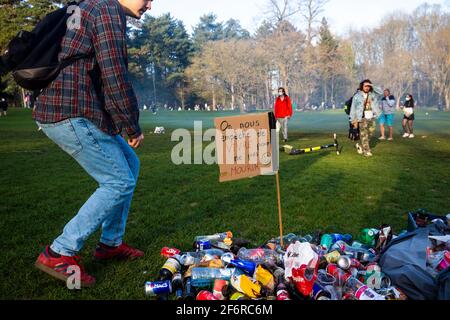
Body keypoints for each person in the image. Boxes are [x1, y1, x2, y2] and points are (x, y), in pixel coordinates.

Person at [33, 0, 153, 288]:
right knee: (117, 181)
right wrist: (131, 125)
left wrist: (117, 122)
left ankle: (110, 244)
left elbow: (96, 71)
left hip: (77, 109)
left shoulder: (92, 6)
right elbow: (114, 75)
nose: (150, 4)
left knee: (129, 165)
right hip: (69, 111)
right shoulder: (106, 9)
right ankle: (59, 251)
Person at [349, 79, 383, 157]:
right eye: (365, 86)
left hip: (371, 117)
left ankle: (360, 146)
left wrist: (372, 85)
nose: (367, 87)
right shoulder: (357, 96)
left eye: (368, 86)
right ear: (362, 86)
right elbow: (353, 108)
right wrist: (352, 119)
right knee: (364, 135)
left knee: (370, 134)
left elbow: (381, 92)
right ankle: (367, 151)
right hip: (362, 118)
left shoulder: (373, 94)